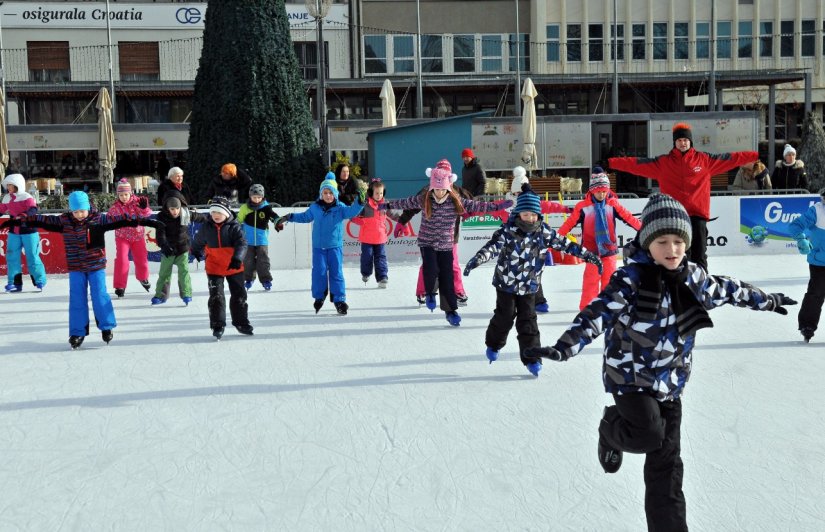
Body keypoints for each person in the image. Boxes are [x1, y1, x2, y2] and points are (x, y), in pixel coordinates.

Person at [523, 194, 796, 531]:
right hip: (630, 379)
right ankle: (611, 429)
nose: (673, 249)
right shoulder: (630, 280)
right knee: (649, 434)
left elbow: (728, 289)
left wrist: (767, 300)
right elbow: (597, 314)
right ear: (647, 242)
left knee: (667, 470)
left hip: (671, 383)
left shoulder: (693, 278)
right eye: (663, 241)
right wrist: (564, 347)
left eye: (679, 241)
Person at [463, 185, 602, 376]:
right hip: (506, 283)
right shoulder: (508, 231)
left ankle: (532, 358)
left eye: (534, 214)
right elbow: (492, 247)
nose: (530, 218)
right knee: (504, 317)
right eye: (526, 214)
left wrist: (589, 256)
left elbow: (567, 245)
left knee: (528, 321)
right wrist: (477, 260)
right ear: (519, 214)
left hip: (529, 285)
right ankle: (494, 345)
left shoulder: (544, 233)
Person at [1, 191, 163, 349]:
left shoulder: (99, 219)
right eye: (76, 211)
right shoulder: (65, 221)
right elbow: (41, 219)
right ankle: (77, 332)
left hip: (96, 266)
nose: (79, 214)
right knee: (77, 299)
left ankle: (106, 326)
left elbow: (124, 220)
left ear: (88, 208)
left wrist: (148, 222)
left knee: (99, 295)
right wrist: (17, 222)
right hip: (76, 267)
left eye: (82, 211)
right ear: (71, 210)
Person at [608, 121, 758, 271]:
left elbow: (732, 158)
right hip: (675, 218)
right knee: (677, 258)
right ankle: (678, 288)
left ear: (690, 141)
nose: (682, 143)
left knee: (699, 256)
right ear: (675, 143)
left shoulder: (704, 160)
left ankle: (701, 288)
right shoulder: (663, 163)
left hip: (697, 217)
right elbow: (635, 163)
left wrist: (755, 155)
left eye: (685, 140)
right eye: (679, 140)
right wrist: (610, 163)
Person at [382, 159, 512, 326]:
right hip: (427, 242)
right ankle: (428, 293)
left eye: (443, 189)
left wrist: (497, 207)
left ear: (449, 181)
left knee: (447, 275)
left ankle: (451, 310)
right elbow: (406, 203)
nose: (440, 192)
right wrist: (387, 207)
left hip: (447, 242)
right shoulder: (425, 197)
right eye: (437, 188)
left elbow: (477, 205)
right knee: (430, 268)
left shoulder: (456, 198)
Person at [557, 168, 641, 310]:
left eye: (604, 191)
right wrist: (558, 237)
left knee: (609, 281)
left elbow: (629, 218)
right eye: (598, 191)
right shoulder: (583, 207)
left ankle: (608, 307)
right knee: (591, 281)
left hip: (609, 250)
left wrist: (644, 229)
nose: (602, 194)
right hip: (590, 251)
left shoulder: (613, 204)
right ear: (591, 190)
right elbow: (569, 223)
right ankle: (588, 308)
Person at [277, 179, 364, 315]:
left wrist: (360, 202)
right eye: (325, 193)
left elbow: (352, 211)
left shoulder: (340, 208)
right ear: (321, 194)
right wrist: (289, 216)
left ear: (335, 194)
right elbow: (304, 217)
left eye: (330, 193)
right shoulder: (315, 208)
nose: (328, 195)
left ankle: (339, 300)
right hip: (319, 248)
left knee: (336, 273)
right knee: (319, 272)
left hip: (335, 247)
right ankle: (319, 297)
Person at [393, 177, 475, 307]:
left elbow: (473, 203)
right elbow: (411, 207)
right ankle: (422, 291)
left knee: (452, 264)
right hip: (430, 237)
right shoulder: (427, 191)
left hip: (450, 237)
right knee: (428, 265)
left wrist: (470, 213)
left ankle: (458, 291)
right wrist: (402, 221)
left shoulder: (458, 191)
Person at [508, 165, 572, 313]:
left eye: (521, 192)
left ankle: (539, 300)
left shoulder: (533, 202)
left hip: (533, 245)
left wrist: (566, 209)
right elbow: (493, 209)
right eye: (516, 192)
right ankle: (513, 303)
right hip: (515, 246)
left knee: (534, 273)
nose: (519, 195)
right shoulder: (508, 204)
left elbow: (550, 206)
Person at [190, 196, 253, 339]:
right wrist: (194, 251)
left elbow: (242, 244)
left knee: (239, 295)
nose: (216, 216)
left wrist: (238, 258)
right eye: (213, 213)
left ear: (226, 213)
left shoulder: (234, 227)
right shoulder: (207, 227)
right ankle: (218, 324)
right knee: (216, 297)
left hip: (233, 266)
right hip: (214, 267)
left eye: (219, 212)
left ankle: (241, 322)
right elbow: (198, 241)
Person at [151, 191, 209, 306]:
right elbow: (160, 235)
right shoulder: (162, 217)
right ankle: (160, 295)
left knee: (184, 273)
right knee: (164, 273)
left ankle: (186, 294)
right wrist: (164, 246)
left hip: (182, 249)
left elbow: (200, 217)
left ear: (180, 207)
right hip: (168, 250)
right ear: (168, 208)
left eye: (177, 209)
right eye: (172, 209)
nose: (175, 212)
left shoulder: (186, 213)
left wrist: (211, 220)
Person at [0, 173, 47, 293]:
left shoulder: (27, 197)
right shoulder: (7, 198)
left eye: (10, 185)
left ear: (17, 185)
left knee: (32, 255)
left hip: (29, 231)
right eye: (8, 185)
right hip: (14, 232)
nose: (8, 188)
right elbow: (1, 210)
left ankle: (39, 280)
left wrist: (23, 215)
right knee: (12, 256)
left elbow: (33, 209)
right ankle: (14, 283)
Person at [789, 187, 825, 343]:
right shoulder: (817, 211)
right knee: (816, 293)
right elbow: (795, 225)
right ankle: (807, 326)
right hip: (819, 262)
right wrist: (800, 238)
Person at [107, 179, 153, 298]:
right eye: (121, 195)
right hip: (122, 237)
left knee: (141, 259)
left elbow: (147, 215)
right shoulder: (115, 207)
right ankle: (120, 285)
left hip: (138, 236)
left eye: (126, 194)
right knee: (122, 260)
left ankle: (143, 278)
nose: (123, 197)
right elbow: (108, 219)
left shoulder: (137, 203)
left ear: (131, 193)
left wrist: (144, 208)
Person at [351, 178, 400, 288]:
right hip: (367, 237)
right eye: (377, 193)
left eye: (381, 193)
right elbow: (352, 216)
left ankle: (382, 277)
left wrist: (402, 220)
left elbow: (392, 214)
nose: (379, 195)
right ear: (371, 193)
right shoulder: (365, 204)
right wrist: (359, 220)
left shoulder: (384, 204)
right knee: (367, 256)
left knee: (381, 257)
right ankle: (366, 273)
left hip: (380, 237)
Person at [238, 184, 283, 291]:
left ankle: (266, 280)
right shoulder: (245, 208)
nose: (257, 199)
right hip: (247, 240)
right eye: (254, 197)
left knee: (263, 261)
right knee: (248, 260)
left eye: (259, 197)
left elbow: (274, 216)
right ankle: (248, 279)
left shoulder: (266, 208)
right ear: (250, 196)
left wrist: (278, 223)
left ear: (262, 197)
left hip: (262, 240)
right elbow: (238, 220)